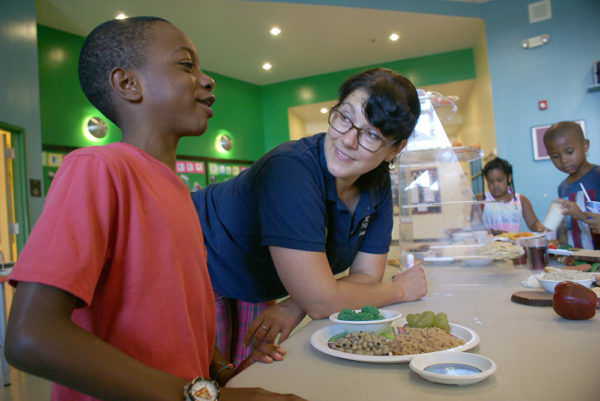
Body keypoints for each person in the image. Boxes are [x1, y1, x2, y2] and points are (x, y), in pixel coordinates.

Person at [4, 16, 306, 401]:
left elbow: (179, 324)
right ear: (127, 84)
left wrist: (224, 373)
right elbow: (30, 334)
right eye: (186, 64)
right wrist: (206, 397)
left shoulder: (179, 192)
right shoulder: (99, 168)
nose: (207, 79)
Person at [192, 68, 428, 366]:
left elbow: (366, 277)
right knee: (203, 383)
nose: (348, 141)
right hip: (198, 264)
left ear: (396, 148)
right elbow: (321, 302)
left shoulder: (377, 183)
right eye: (345, 118)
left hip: (256, 280)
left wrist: (296, 303)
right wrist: (401, 289)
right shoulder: (291, 169)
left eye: (371, 134)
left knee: (246, 373)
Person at [543, 120, 600, 249]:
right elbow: (569, 227)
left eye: (569, 152)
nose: (564, 160)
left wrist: (581, 215)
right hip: (577, 259)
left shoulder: (597, 176)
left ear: (585, 146)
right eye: (556, 156)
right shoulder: (562, 188)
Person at [477, 157, 546, 234]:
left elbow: (533, 224)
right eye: (490, 181)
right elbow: (474, 227)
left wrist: (540, 228)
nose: (495, 185)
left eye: (500, 180)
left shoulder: (521, 200)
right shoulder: (481, 199)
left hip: (514, 244)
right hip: (488, 245)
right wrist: (495, 232)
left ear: (509, 178)